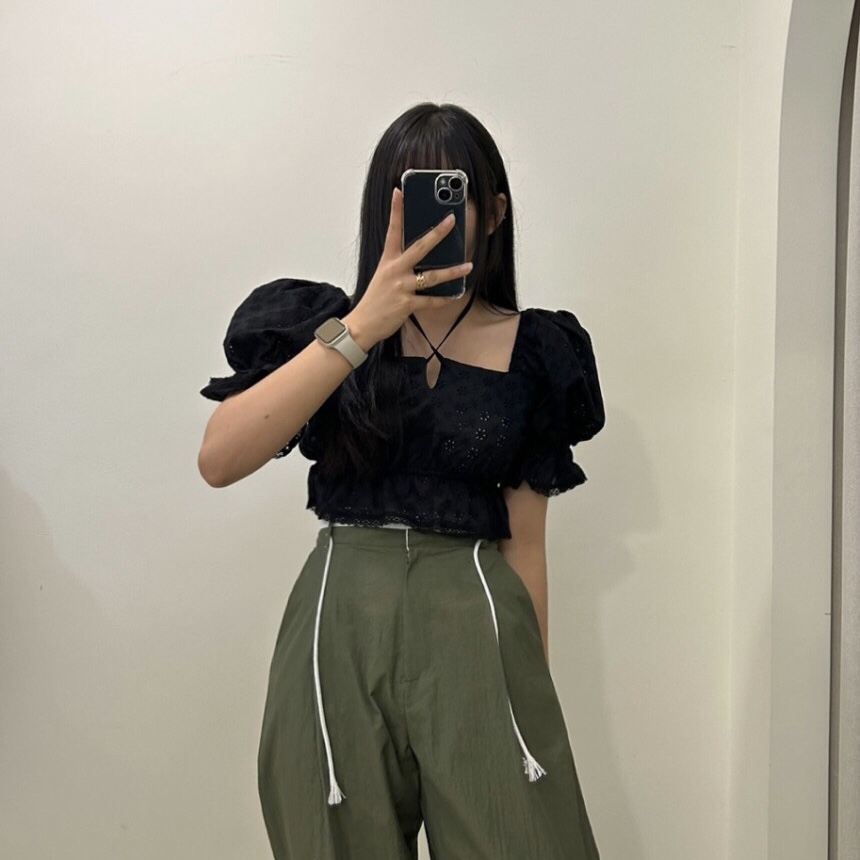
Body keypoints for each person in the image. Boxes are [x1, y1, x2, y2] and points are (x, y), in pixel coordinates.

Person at [198, 102, 605, 860]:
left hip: (477, 617)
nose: (431, 219)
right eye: (408, 193)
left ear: (494, 213)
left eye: (454, 195)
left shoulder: (536, 351)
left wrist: (529, 687)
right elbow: (220, 459)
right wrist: (362, 327)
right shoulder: (327, 327)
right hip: (341, 617)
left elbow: (526, 543)